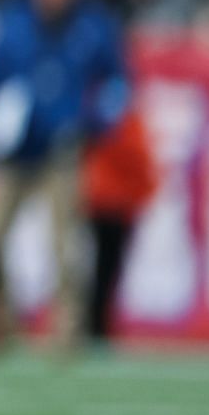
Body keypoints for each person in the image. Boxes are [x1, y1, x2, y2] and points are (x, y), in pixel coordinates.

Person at [0, 0, 130, 354]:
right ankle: (0, 318)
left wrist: (93, 124)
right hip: (15, 153)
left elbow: (117, 88)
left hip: (62, 152)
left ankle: (66, 334)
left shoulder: (95, 29)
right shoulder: (13, 23)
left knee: (64, 248)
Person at [79, 106, 156, 342]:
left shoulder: (118, 119)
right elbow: (139, 161)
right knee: (102, 270)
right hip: (107, 204)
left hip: (110, 204)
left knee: (104, 270)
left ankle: (96, 325)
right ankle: (95, 326)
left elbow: (140, 162)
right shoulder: (118, 119)